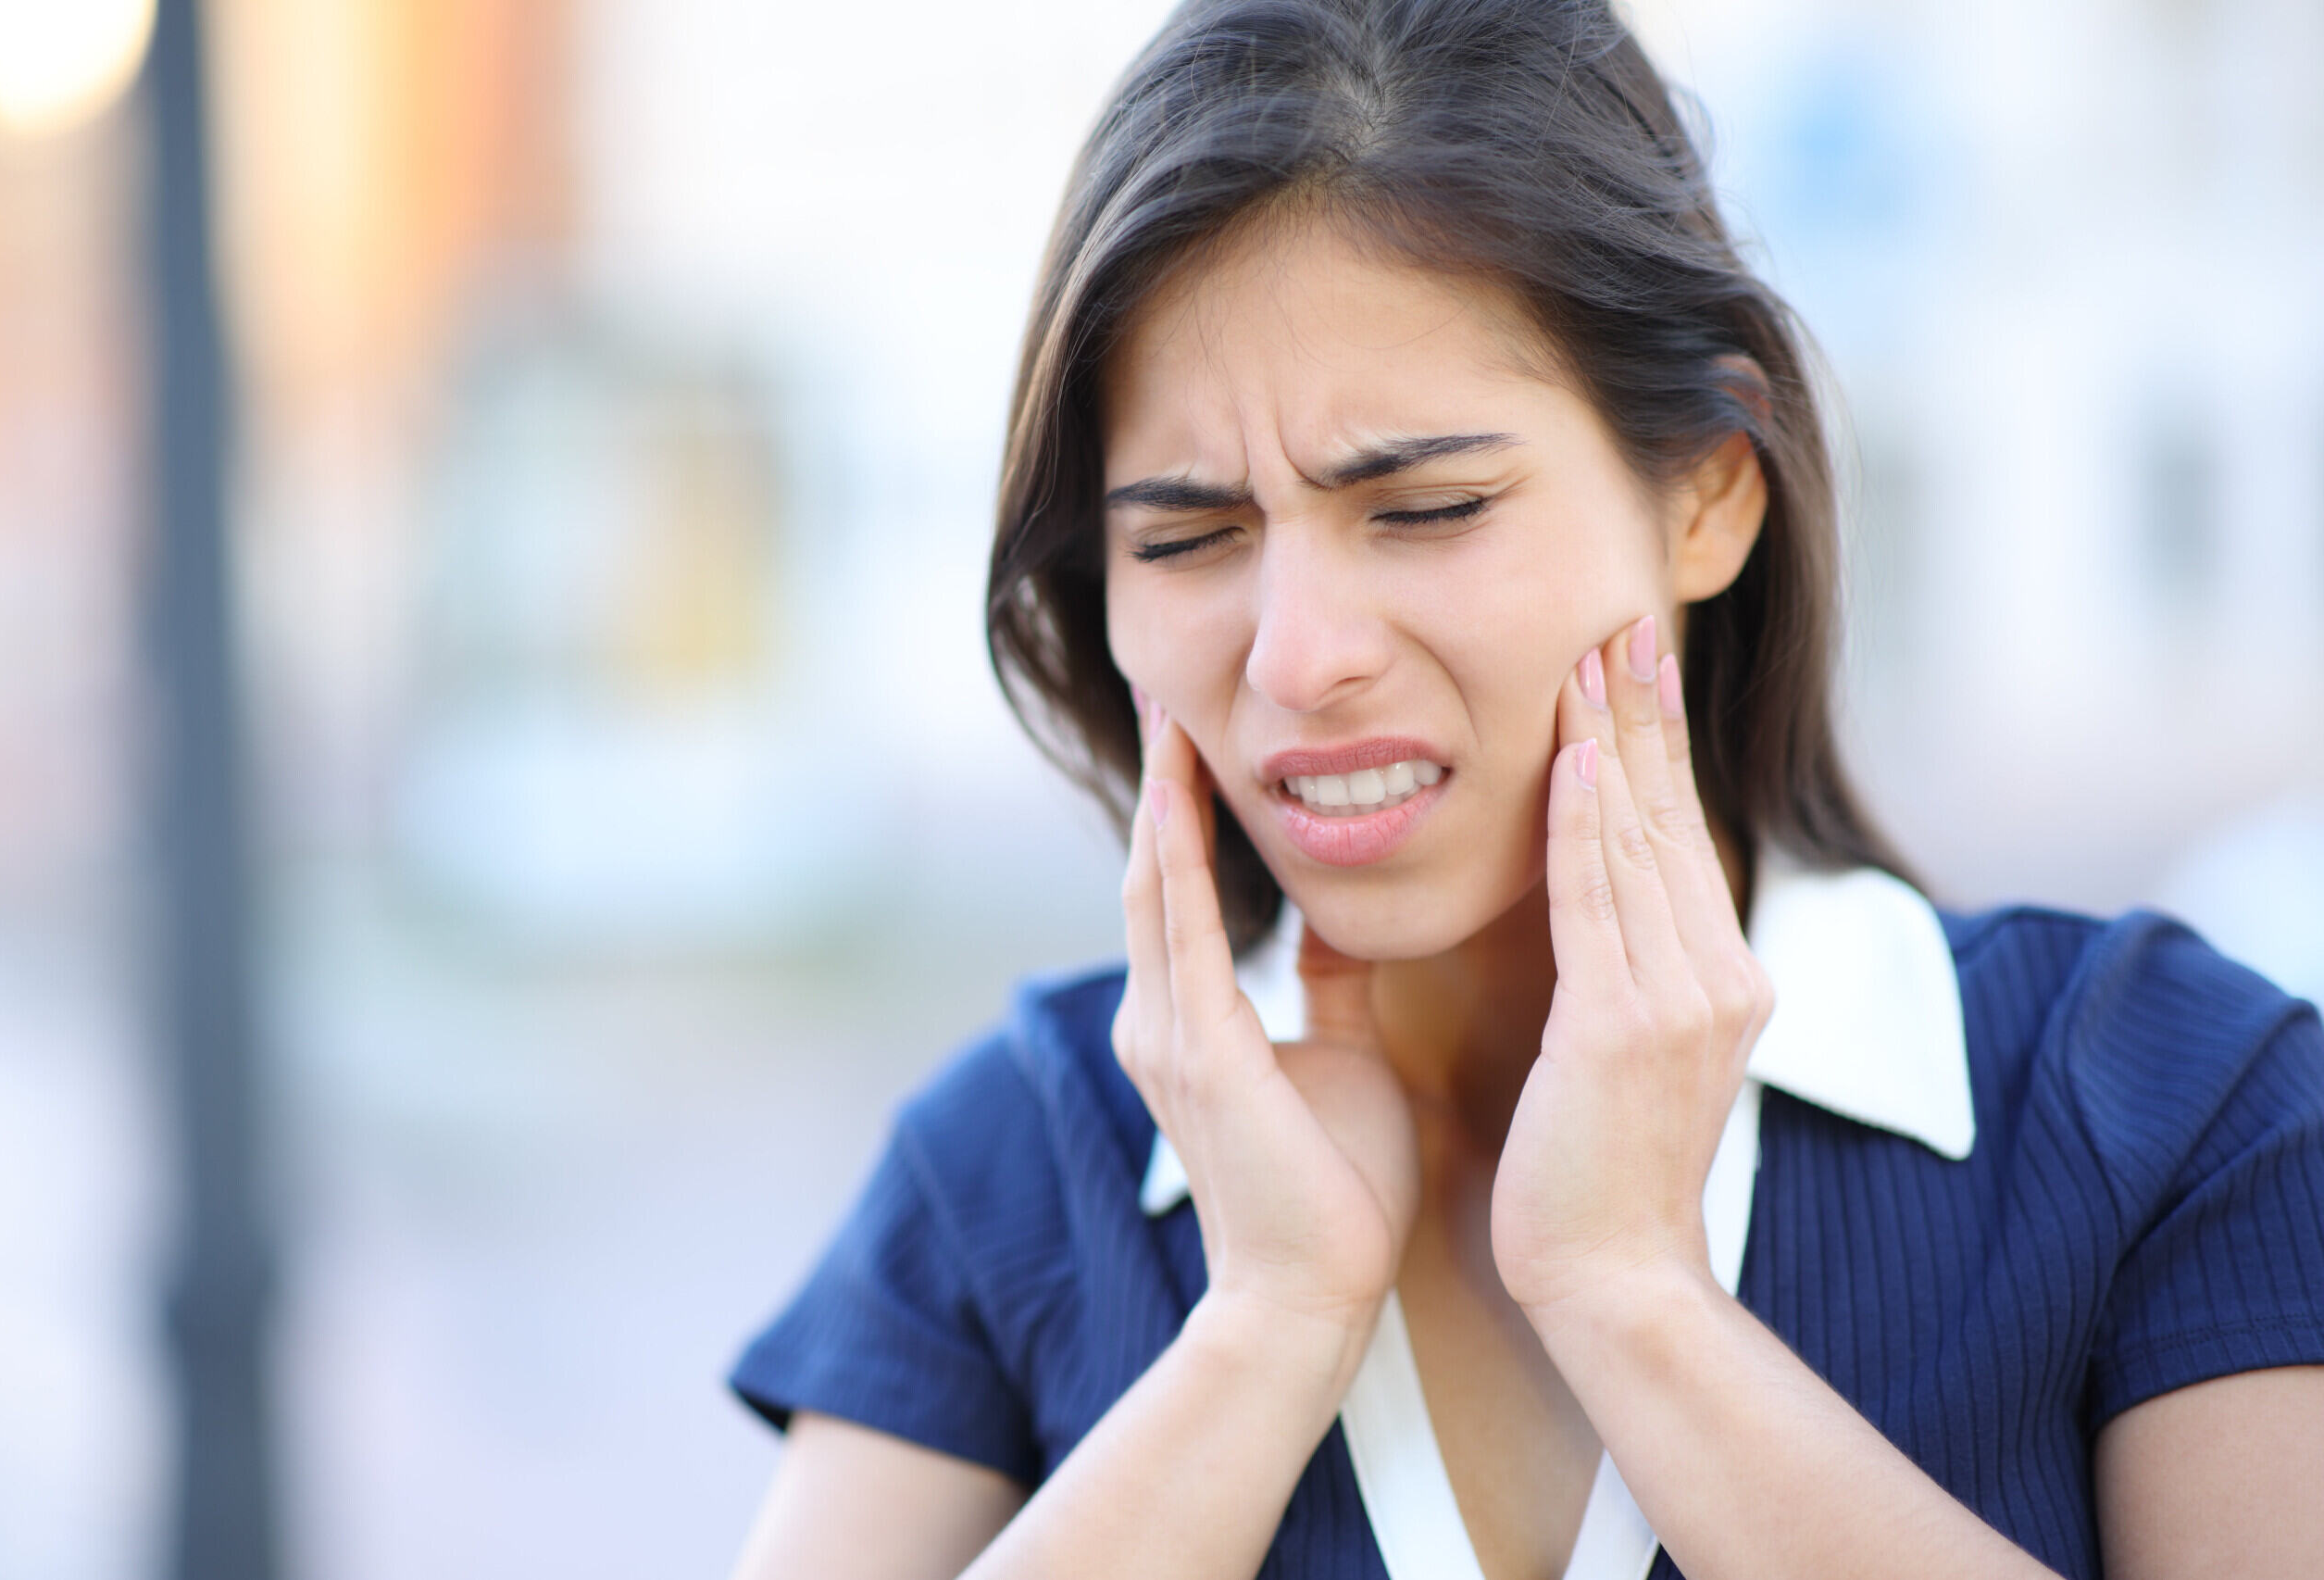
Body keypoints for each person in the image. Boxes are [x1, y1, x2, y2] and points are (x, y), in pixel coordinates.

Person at [725, 1, 2324, 1575]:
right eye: (1189, 539)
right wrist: (1261, 1331)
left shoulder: (2180, 1111)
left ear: (1707, 494)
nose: (1298, 657)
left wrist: (1634, 1296)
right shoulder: (1011, 1166)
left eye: (1427, 506)